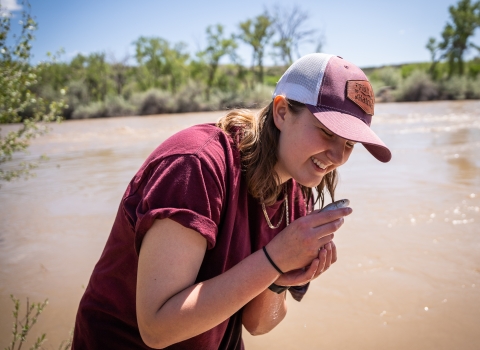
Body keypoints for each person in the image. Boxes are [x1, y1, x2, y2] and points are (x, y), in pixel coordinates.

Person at [72, 53, 391, 349]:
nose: (337, 157)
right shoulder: (195, 164)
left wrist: (279, 280)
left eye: (349, 144)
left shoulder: (298, 192)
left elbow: (258, 324)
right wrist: (276, 257)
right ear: (281, 112)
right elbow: (157, 328)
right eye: (327, 132)